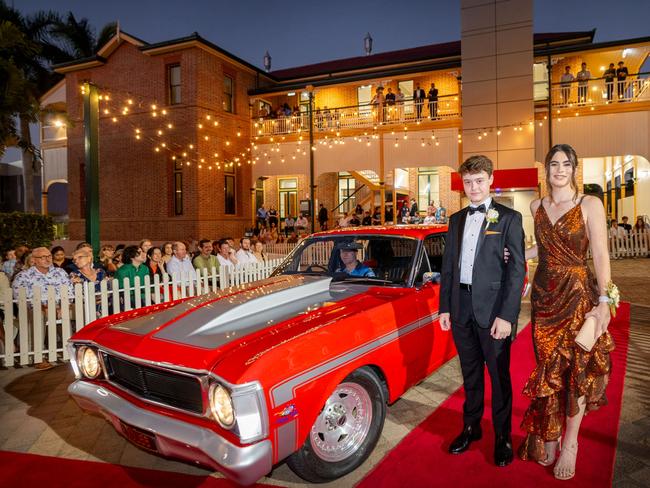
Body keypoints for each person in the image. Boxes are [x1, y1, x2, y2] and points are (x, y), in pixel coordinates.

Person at [518, 144, 615, 480]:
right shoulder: (536, 205)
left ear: (574, 169)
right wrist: (515, 252)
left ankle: (570, 443)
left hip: (576, 295)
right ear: (546, 170)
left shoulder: (589, 204)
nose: (559, 169)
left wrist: (604, 299)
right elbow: (543, 246)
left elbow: (600, 254)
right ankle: (553, 429)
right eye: (553, 164)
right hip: (544, 300)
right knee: (548, 368)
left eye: (566, 164)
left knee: (575, 371)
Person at [439, 155, 525, 468]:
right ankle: (471, 427)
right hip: (460, 309)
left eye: (479, 181)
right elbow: (449, 266)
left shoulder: (509, 218)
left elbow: (516, 271)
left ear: (490, 180)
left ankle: (502, 436)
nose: (473, 187)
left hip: (494, 315)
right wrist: (445, 307)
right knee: (471, 375)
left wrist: (507, 316)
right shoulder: (456, 219)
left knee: (499, 378)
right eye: (468, 182)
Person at [12, 247, 73, 370]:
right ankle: (38, 357)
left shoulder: (60, 272)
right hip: (36, 309)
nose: (47, 259)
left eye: (49, 256)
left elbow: (69, 291)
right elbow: (22, 298)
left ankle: (75, 351)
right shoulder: (23, 276)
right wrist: (43, 306)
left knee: (82, 310)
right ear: (34, 260)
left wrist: (62, 306)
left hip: (61, 306)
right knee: (39, 314)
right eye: (43, 257)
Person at [69, 248, 109, 315]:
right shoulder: (74, 275)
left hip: (106, 308)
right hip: (87, 311)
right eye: (74, 259)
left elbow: (108, 290)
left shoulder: (100, 271)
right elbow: (81, 296)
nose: (76, 261)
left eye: (80, 257)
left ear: (89, 258)